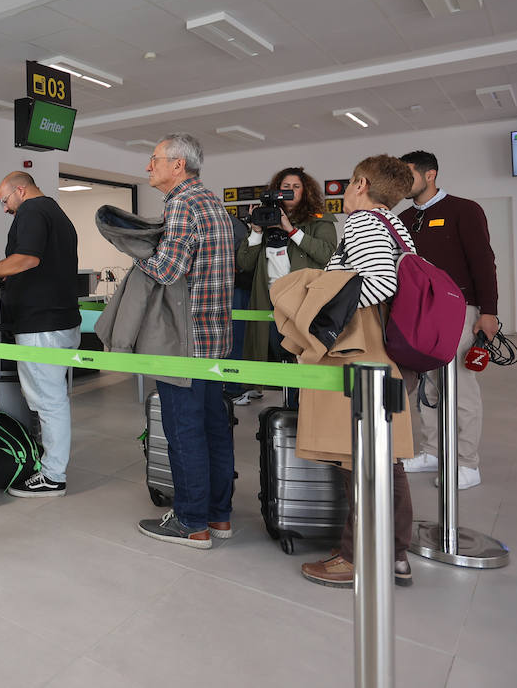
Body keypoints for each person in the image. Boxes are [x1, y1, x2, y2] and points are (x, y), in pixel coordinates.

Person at [297, 154, 416, 588]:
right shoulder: (393, 224)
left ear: (362, 184)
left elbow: (381, 282)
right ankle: (394, 553)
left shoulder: (364, 222)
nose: (346, 190)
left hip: (361, 351)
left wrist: (326, 318)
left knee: (359, 456)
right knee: (383, 455)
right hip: (383, 351)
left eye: (349, 182)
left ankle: (358, 557)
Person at [133, 134, 236, 547]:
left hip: (184, 342)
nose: (149, 166)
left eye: (154, 158)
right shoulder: (213, 203)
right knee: (214, 428)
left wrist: (133, 248)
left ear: (178, 165)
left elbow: (167, 270)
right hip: (215, 339)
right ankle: (219, 516)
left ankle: (191, 522)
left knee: (184, 431)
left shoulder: (180, 204)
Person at [0, 171, 80, 498]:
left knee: (49, 401)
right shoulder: (56, 212)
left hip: (43, 325)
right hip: (61, 320)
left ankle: (53, 476)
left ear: (21, 190)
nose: (5, 208)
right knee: (50, 398)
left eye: (5, 200)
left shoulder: (32, 210)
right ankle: (47, 459)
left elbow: (27, 258)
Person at [397, 150, 498, 490]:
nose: (402, 182)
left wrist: (489, 311)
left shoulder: (464, 210)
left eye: (408, 174)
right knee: (428, 385)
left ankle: (467, 463)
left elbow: (483, 261)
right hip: (419, 313)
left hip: (460, 310)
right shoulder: (404, 217)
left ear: (430, 175)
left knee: (460, 387)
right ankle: (432, 451)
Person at [233, 167, 337, 404]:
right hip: (268, 299)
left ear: (305, 191)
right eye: (285, 187)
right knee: (272, 350)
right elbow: (244, 263)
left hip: (301, 301)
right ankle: (277, 397)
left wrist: (291, 230)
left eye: (296, 187)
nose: (290, 191)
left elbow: (327, 255)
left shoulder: (319, 220)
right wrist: (256, 231)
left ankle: (302, 401)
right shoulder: (265, 218)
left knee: (298, 352)